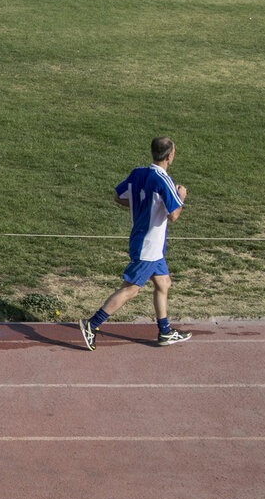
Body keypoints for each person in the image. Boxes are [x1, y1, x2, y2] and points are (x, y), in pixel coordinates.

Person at [79, 136, 192, 350]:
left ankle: (165, 331)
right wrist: (181, 196)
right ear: (170, 155)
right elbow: (174, 215)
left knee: (163, 283)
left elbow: (119, 197)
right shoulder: (163, 179)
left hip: (147, 243)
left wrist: (143, 207)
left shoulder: (137, 173)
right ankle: (91, 324)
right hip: (148, 246)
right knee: (131, 289)